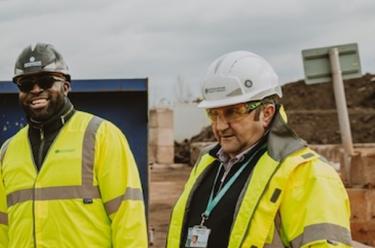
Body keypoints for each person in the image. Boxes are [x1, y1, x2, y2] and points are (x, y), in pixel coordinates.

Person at [167, 51, 352, 248]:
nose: (220, 126)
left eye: (233, 112)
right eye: (214, 114)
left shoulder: (309, 174)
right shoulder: (208, 162)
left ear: (266, 113)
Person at [0, 43, 148, 247]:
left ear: (66, 87)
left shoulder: (101, 135)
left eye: (46, 81)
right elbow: (3, 227)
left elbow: (128, 216)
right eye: (25, 85)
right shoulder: (8, 151)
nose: (35, 90)